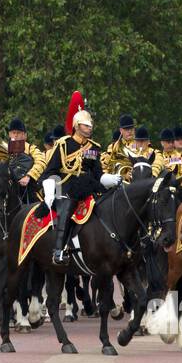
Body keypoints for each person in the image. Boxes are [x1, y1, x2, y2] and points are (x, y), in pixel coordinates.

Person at [43, 109, 118, 265]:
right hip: (66, 187)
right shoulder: (64, 144)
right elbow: (51, 170)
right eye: (86, 125)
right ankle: (58, 251)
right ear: (77, 126)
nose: (90, 128)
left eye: (90, 125)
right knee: (67, 208)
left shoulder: (94, 147)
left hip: (89, 186)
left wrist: (111, 179)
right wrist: (50, 190)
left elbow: (98, 174)